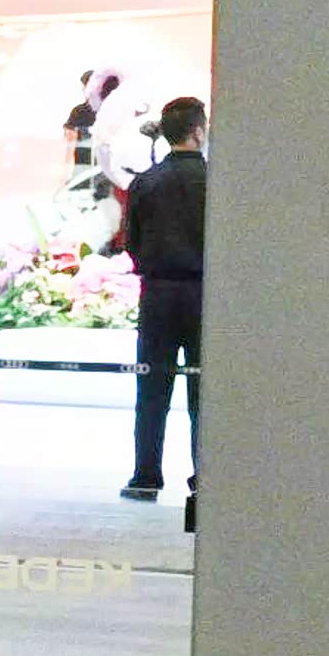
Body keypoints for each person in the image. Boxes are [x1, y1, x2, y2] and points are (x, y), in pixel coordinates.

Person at [118, 93, 206, 510]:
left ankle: (146, 476)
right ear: (198, 132)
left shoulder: (145, 182)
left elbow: (132, 242)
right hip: (205, 294)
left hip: (157, 293)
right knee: (204, 392)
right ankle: (205, 477)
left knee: (151, 387)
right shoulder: (215, 181)